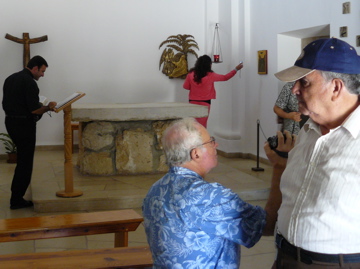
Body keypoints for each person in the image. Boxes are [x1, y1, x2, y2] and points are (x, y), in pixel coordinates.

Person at [266, 37, 360, 268]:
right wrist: (280, 165)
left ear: (336, 87)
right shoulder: (308, 130)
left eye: (304, 83)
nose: (294, 90)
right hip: (286, 257)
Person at [142, 117, 285, 268]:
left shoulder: (155, 190)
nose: (216, 144)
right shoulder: (209, 198)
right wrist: (279, 167)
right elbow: (267, 224)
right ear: (195, 154)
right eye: (211, 141)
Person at [2, 55, 57, 210]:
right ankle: (17, 199)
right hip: (24, 125)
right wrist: (48, 106)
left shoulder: (11, 78)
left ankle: (17, 195)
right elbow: (34, 109)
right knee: (25, 162)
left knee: (22, 160)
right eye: (42, 71)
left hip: (11, 122)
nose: (42, 75)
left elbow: (16, 101)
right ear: (34, 68)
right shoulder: (30, 83)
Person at [183, 55, 243, 127]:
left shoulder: (190, 74)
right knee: (202, 125)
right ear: (209, 65)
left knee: (192, 124)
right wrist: (236, 69)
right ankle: (203, 137)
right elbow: (225, 77)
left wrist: (195, 87)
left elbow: (185, 87)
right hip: (205, 102)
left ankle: (192, 137)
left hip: (192, 101)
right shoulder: (211, 75)